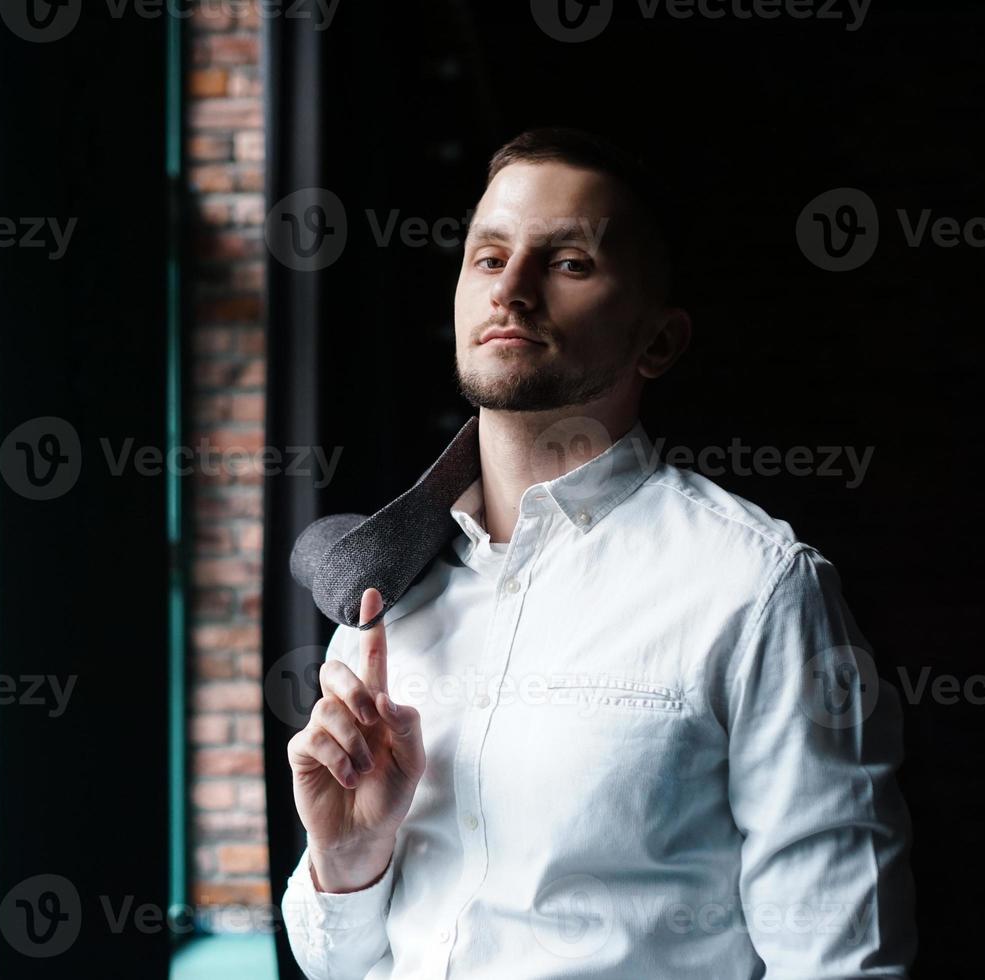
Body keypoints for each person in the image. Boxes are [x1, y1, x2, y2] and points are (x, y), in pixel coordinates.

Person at [280, 126, 915, 979]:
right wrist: (351, 861)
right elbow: (338, 966)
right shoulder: (386, 594)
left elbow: (841, 960)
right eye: (488, 256)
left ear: (658, 341)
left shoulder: (756, 591)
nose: (512, 289)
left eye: (569, 262)